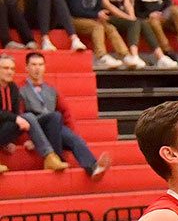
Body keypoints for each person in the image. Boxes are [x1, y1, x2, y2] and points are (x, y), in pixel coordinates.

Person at [19, 52, 111, 180]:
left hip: (54, 126)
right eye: (33, 65)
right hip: (36, 126)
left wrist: (72, 133)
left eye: (40, 64)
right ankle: (57, 158)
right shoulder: (21, 90)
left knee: (74, 139)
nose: (37, 68)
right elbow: (20, 116)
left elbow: (66, 112)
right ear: (27, 68)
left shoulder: (51, 89)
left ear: (45, 67)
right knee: (54, 116)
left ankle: (93, 168)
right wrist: (27, 139)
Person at [0, 53, 69, 171]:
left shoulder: (13, 88)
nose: (10, 72)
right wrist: (15, 119)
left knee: (30, 117)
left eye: (12, 69)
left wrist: (9, 140)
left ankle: (50, 157)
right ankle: (50, 156)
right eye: (6, 68)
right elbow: (11, 116)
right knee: (25, 117)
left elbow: (17, 113)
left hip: (4, 131)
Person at [65, 0, 128, 69]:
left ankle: (125, 55)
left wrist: (99, 13)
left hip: (91, 18)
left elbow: (98, 7)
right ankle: (101, 56)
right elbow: (75, 10)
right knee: (97, 27)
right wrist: (96, 15)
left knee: (110, 27)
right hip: (74, 20)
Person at [98, 0, 155, 68]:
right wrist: (128, 18)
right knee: (134, 22)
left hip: (123, 18)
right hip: (108, 18)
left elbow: (128, 4)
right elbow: (109, 6)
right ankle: (133, 55)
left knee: (141, 22)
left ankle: (160, 56)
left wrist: (132, 16)